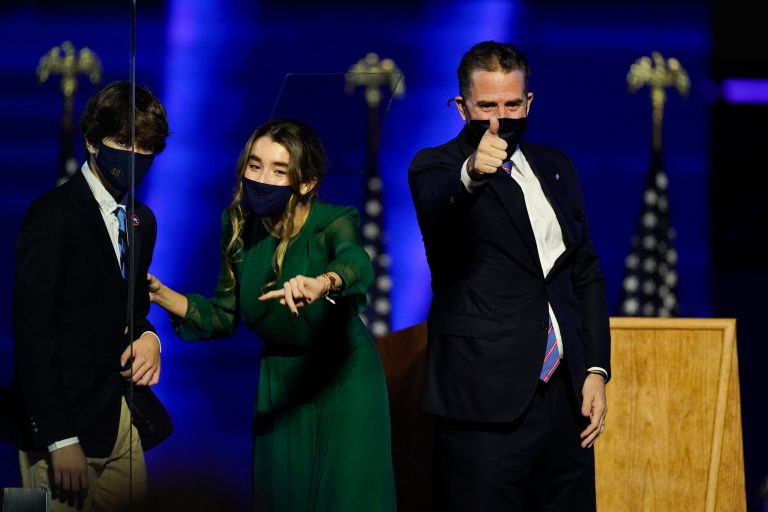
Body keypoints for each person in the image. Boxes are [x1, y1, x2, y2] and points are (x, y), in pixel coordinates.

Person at [147, 118, 396, 511]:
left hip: (342, 377)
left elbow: (357, 264)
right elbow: (223, 315)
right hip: (279, 383)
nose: (261, 178)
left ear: (307, 182)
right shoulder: (237, 226)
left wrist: (324, 282)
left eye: (279, 171)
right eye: (255, 165)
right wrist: (163, 295)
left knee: (346, 497)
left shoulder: (331, 221)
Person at [408, 41, 611, 511]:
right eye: (487, 106)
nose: (501, 116)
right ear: (462, 108)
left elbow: (585, 273)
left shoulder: (556, 166)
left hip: (567, 398)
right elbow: (440, 213)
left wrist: (597, 369)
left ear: (529, 102)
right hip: (484, 402)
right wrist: (472, 175)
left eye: (512, 104)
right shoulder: (436, 167)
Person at [10, 80, 169, 511]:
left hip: (121, 421)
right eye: (123, 142)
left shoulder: (142, 221)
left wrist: (150, 338)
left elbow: (132, 310)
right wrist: (59, 438)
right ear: (92, 142)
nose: (134, 156)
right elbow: (33, 335)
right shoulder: (51, 216)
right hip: (62, 430)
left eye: (147, 147)